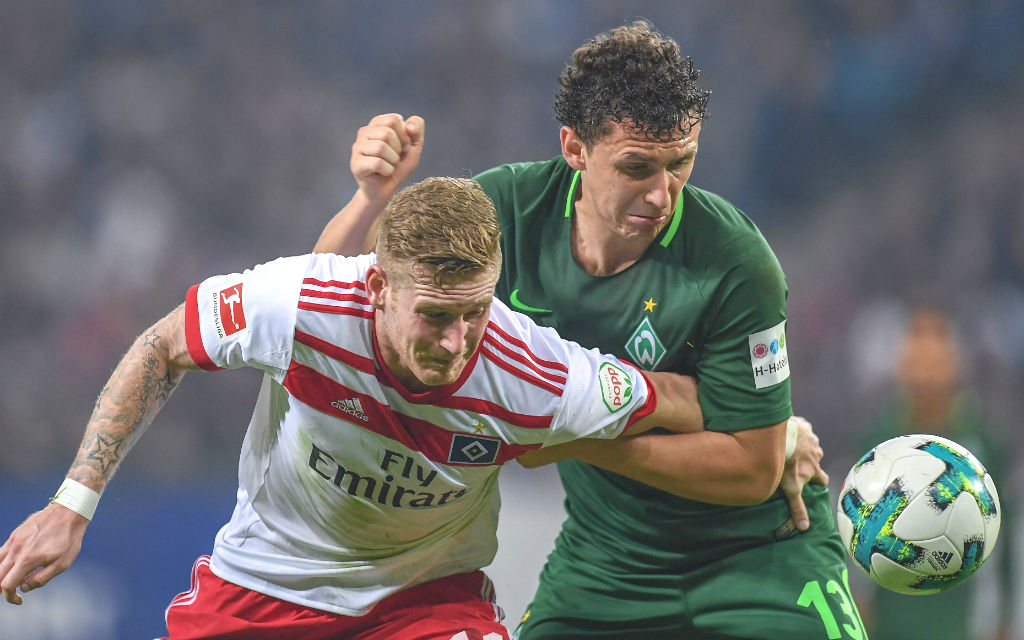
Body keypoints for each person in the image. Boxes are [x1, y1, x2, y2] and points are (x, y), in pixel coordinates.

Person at [315, 20, 859, 639]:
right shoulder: (506, 214)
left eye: (680, 164)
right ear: (575, 149)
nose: (663, 195)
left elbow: (751, 470)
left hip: (760, 557)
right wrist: (370, 199)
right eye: (637, 168)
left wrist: (571, 437)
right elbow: (328, 300)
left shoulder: (736, 261)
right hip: (606, 567)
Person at [0, 177, 709, 640]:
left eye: (474, 313)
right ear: (377, 289)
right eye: (435, 316)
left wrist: (774, 426)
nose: (457, 342)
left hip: (422, 602)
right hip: (263, 586)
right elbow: (161, 348)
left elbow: (675, 399)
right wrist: (72, 504)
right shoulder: (299, 305)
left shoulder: (533, 372)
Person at [852, 305, 1013, 640]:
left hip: (960, 626)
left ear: (953, 367)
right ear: (900, 370)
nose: (924, 378)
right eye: (916, 364)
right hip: (890, 625)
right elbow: (854, 535)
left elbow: (1003, 547)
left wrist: (1002, 622)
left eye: (933, 365)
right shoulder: (877, 445)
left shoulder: (982, 446)